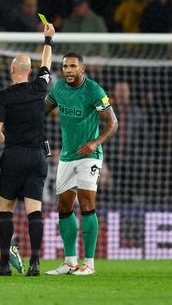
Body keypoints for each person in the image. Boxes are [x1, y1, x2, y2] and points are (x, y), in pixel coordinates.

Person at [0, 23, 55, 277]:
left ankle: (4, 264)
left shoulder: (3, 96)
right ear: (29, 71)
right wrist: (48, 39)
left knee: (6, 210)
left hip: (14, 156)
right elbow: (46, 64)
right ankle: (35, 262)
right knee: (34, 211)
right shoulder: (40, 88)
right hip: (37, 157)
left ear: (13, 69)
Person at [44, 53, 118, 275]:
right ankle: (69, 262)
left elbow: (113, 123)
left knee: (86, 204)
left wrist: (95, 143)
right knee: (63, 207)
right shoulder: (58, 90)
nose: (68, 70)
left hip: (89, 155)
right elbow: (41, 112)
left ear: (82, 69)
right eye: (65, 66)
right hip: (67, 156)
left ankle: (89, 263)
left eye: (73, 66)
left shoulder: (94, 90)